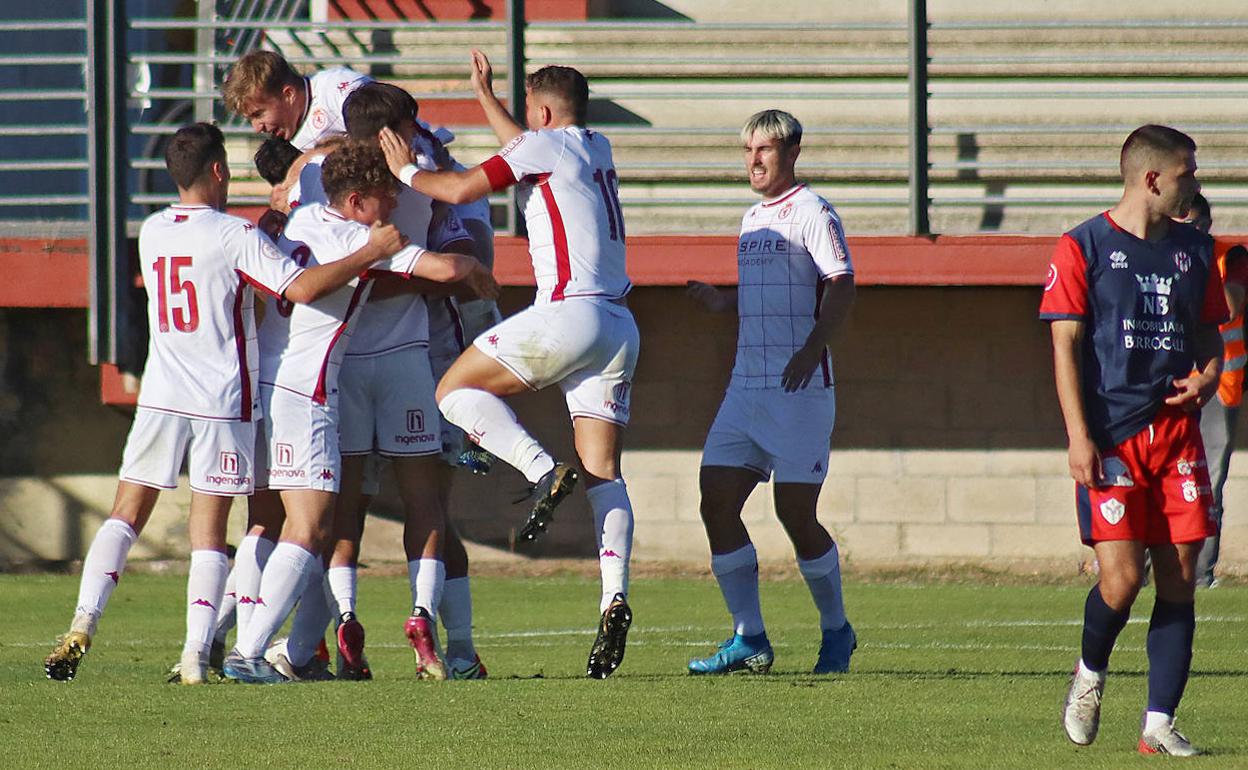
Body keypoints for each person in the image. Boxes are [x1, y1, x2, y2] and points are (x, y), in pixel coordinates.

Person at [42, 123, 407, 684]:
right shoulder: (234, 234)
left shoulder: (155, 231)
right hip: (221, 399)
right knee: (209, 532)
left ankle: (83, 620)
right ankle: (195, 655)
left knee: (124, 514)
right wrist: (373, 248)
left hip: (161, 394)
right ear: (218, 171)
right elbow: (299, 289)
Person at [379, 50, 639, 679]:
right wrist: (484, 95)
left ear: (545, 113)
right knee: (605, 470)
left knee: (453, 390)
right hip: (620, 325)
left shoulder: (545, 146)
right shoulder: (595, 144)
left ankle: (540, 467)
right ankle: (615, 596)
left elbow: (465, 186)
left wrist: (407, 171)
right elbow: (526, 142)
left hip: (568, 313)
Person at [222, 142, 498, 683]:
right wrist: (470, 263)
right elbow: (441, 269)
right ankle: (247, 651)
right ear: (354, 199)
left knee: (315, 529)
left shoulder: (299, 221)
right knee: (309, 528)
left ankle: (297, 654)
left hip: (274, 383)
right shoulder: (359, 238)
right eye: (384, 196)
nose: (394, 206)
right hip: (310, 389)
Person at [1042, 125, 1224, 756]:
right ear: (1152, 179)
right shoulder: (1082, 247)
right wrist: (1078, 436)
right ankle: (1089, 676)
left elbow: (1210, 339)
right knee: (1121, 581)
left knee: (1179, 577)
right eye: (1188, 173)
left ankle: (1158, 725)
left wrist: (1210, 375)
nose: (1195, 184)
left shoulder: (1197, 253)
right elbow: (1063, 346)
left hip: (1178, 439)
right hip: (1113, 436)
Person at [684, 110, 857, 676]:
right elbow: (768, 296)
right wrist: (722, 304)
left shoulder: (813, 212)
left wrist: (811, 350)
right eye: (748, 150)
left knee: (794, 513)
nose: (755, 160)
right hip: (746, 390)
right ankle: (749, 638)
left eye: (766, 149)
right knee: (715, 501)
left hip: (800, 391)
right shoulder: (752, 218)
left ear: (793, 153)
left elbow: (841, 284)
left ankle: (836, 630)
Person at [1181, 193, 1248, 588]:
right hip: (1168, 383)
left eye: (1194, 226)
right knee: (1154, 479)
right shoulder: (1159, 257)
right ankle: (1139, 569)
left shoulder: (1230, 258)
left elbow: (1229, 307)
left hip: (1218, 386)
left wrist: (1198, 263)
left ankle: (1201, 574)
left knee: (1208, 483)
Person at [222, 50, 369, 151]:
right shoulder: (284, 146)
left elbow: (380, 145)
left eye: (258, 114)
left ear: (288, 94)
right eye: (249, 120)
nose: (257, 128)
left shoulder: (338, 91)